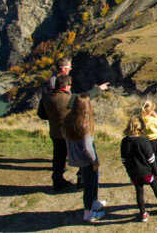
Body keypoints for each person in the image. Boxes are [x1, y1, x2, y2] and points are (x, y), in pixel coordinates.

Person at [42, 74, 108, 191]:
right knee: (81, 154)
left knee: (58, 158)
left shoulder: (46, 97)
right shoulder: (68, 99)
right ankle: (81, 181)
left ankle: (57, 181)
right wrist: (99, 89)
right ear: (66, 86)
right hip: (69, 133)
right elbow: (85, 97)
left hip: (54, 132)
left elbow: (41, 114)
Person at [121, 116, 157, 222]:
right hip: (146, 172)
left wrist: (129, 171)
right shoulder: (143, 141)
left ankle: (143, 213)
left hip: (134, 173)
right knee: (155, 187)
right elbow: (151, 159)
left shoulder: (124, 142)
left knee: (139, 192)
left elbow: (123, 159)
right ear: (141, 128)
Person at [65, 94, 106, 222]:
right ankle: (88, 212)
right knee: (89, 185)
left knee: (93, 179)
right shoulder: (84, 123)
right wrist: (94, 161)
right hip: (85, 159)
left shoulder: (68, 119)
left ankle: (94, 202)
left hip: (75, 156)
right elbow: (87, 147)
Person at [140, 101, 157, 181]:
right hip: (155, 139)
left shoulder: (142, 119)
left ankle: (149, 175)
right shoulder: (152, 119)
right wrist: (156, 116)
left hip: (145, 140)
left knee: (148, 158)